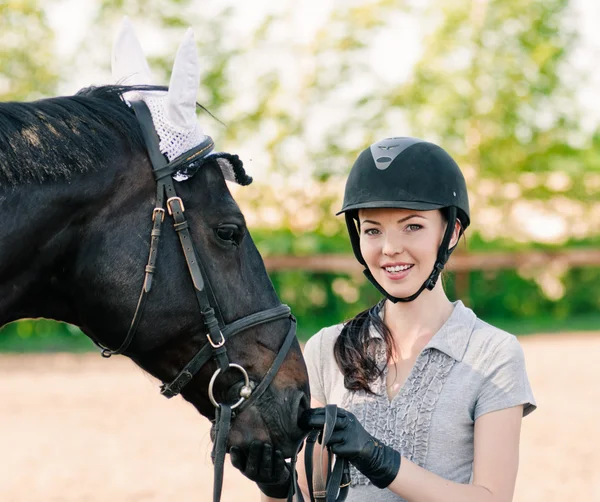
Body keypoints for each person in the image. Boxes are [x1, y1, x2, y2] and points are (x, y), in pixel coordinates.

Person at [231, 137, 536, 502]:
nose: (390, 247)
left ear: (451, 232)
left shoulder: (493, 353)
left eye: (412, 227)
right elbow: (308, 493)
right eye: (373, 230)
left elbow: (492, 498)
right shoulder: (326, 349)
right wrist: (276, 487)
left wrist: (380, 460)